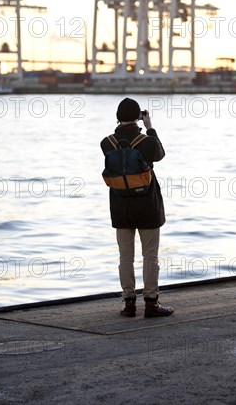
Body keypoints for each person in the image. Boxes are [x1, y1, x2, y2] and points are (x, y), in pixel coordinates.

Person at [100, 97, 174, 318]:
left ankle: (129, 304)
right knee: (150, 255)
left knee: (125, 256)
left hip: (120, 205)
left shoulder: (107, 143)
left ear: (117, 118)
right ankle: (151, 304)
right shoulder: (146, 142)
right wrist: (150, 127)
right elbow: (159, 154)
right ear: (138, 117)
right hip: (147, 206)